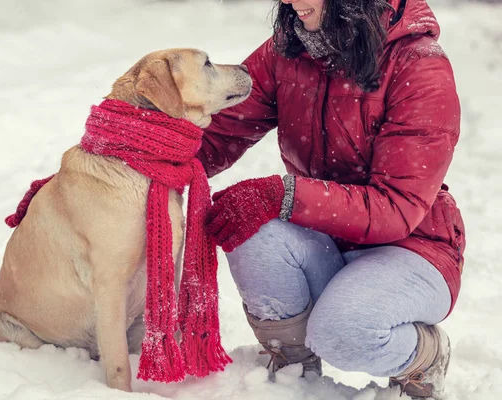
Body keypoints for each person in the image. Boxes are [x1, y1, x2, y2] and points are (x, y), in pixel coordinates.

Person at [198, 0, 466, 398]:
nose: (289, 1)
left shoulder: (419, 66)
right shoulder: (291, 47)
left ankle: (424, 356)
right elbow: (220, 132)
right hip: (323, 237)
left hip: (412, 250)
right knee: (248, 226)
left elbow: (396, 207)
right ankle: (293, 370)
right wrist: (145, 152)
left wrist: (285, 195)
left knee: (343, 331)